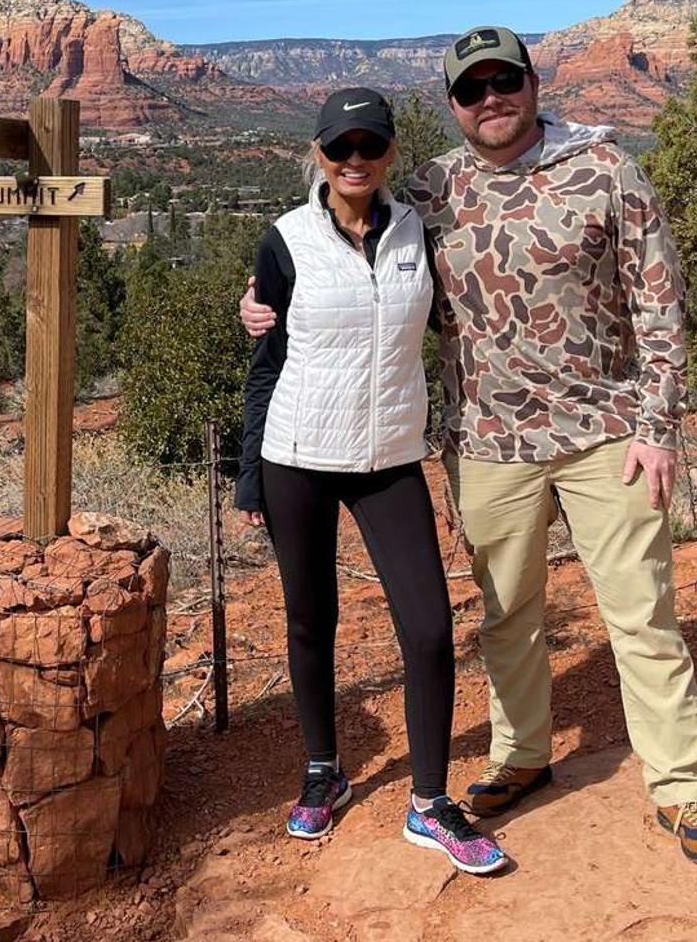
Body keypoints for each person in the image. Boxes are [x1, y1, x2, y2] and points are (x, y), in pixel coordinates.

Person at [239, 28, 697, 867]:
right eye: (472, 90)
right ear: (452, 105)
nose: (491, 101)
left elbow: (660, 300)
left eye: (504, 81)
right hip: (487, 440)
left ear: (533, 84)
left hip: (606, 433)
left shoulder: (607, 170)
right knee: (507, 615)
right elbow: (325, 267)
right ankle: (521, 754)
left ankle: (685, 789)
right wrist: (258, 305)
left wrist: (658, 426)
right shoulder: (431, 190)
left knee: (641, 614)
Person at [234, 86, 507, 875]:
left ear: (389, 152)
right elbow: (265, 359)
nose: (355, 160)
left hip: (391, 454)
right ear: (318, 153)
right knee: (309, 618)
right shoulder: (285, 239)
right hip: (298, 453)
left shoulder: (421, 228)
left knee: (427, 626)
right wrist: (250, 475)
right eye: (340, 147)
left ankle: (429, 802)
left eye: (370, 146)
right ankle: (323, 768)